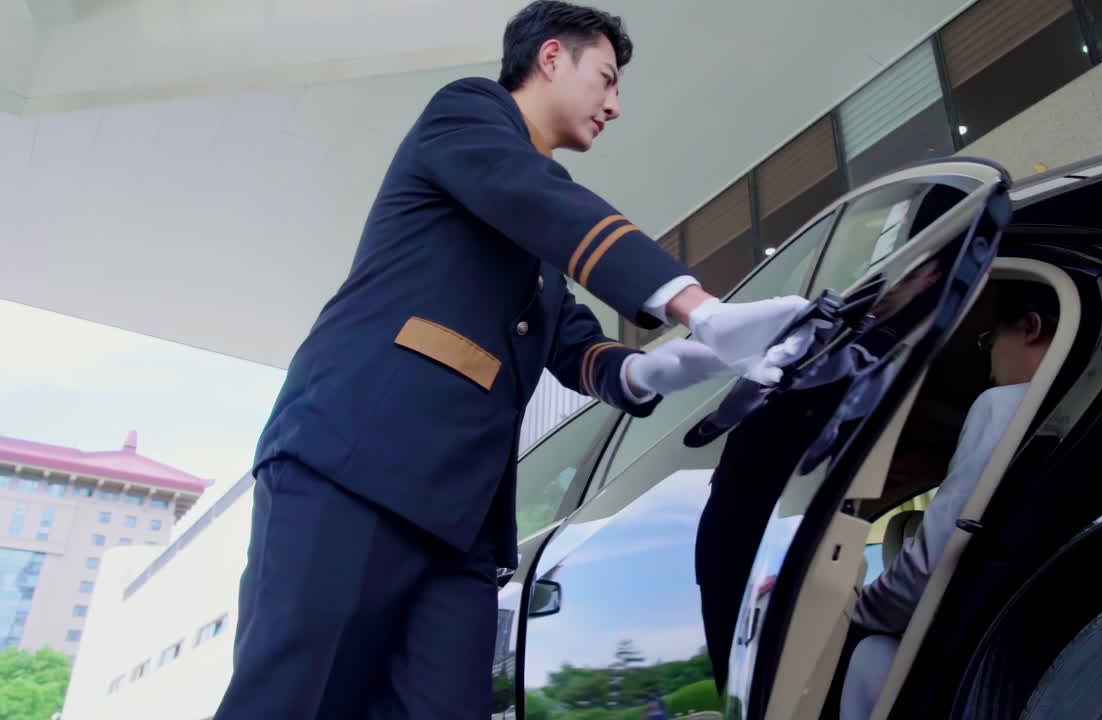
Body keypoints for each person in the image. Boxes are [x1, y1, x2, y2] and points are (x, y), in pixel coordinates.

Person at [212, 2, 815, 719]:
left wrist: (676, 365)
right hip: (358, 466)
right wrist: (699, 308)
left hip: (462, 526)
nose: (615, 106)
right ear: (552, 57)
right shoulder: (466, 114)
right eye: (607, 79)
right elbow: (537, 198)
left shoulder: (537, 253)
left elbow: (579, 348)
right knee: (294, 700)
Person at [839, 280, 1059, 720]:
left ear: (1030, 327)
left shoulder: (1004, 403)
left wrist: (855, 611)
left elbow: (933, 561)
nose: (989, 361)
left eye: (990, 339)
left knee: (871, 652)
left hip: (994, 653)